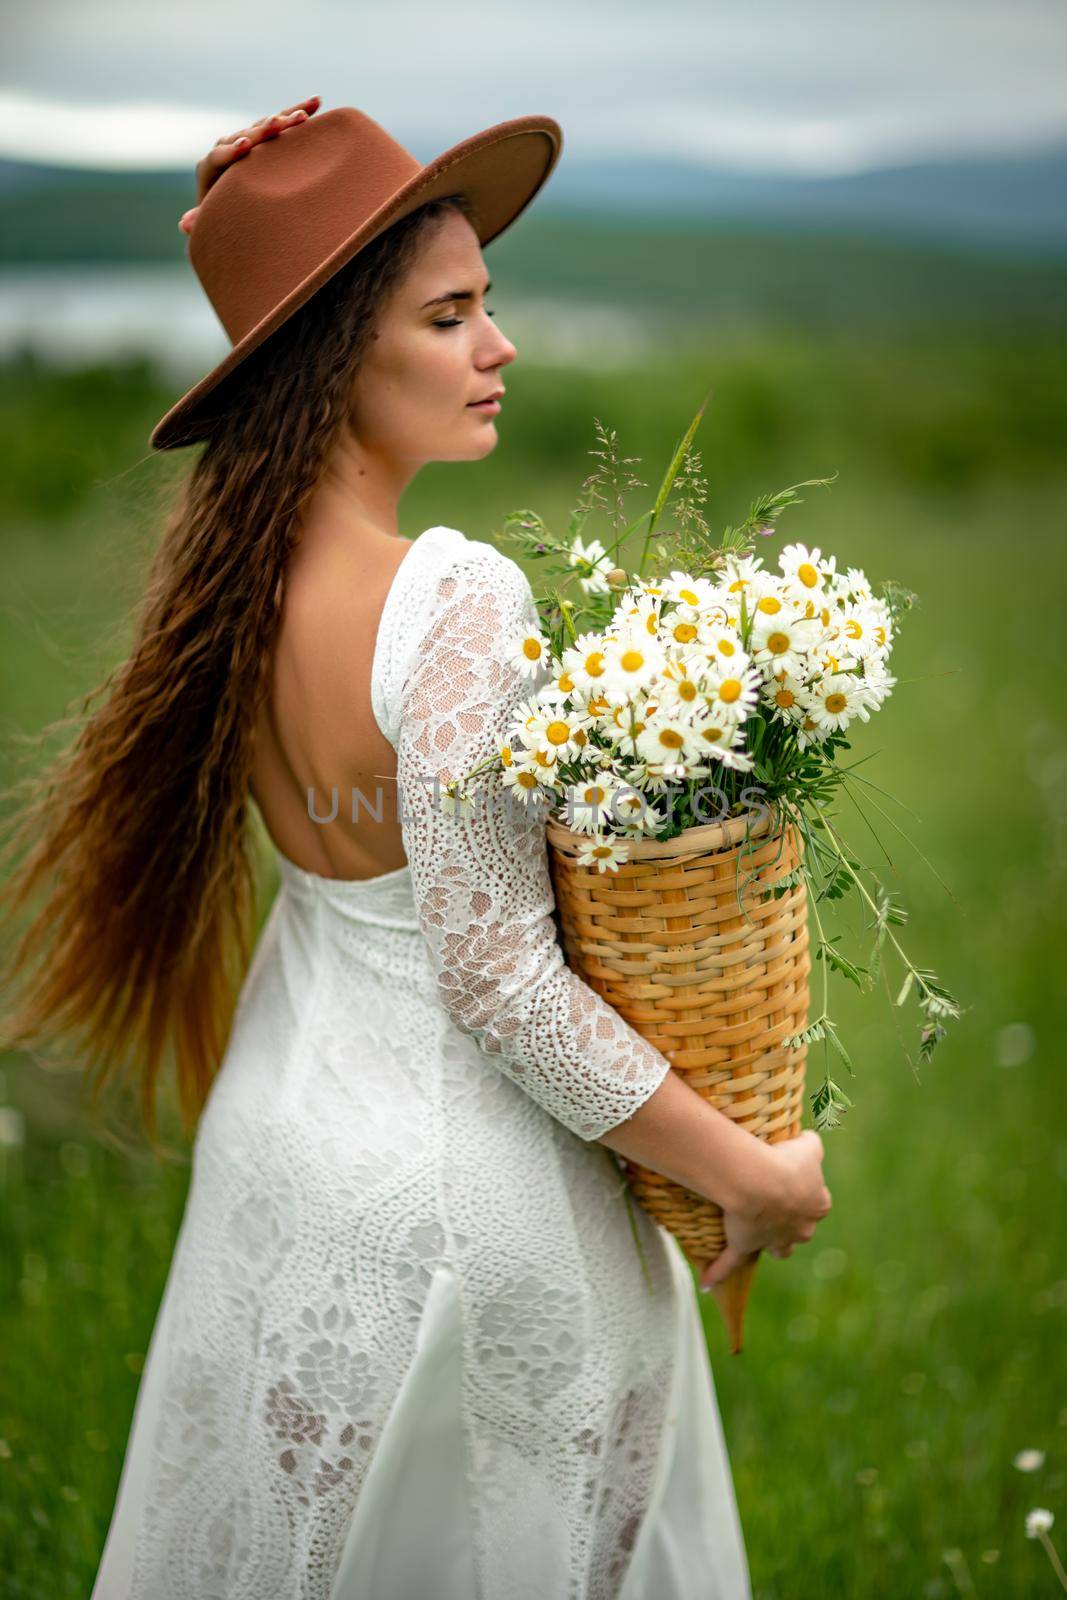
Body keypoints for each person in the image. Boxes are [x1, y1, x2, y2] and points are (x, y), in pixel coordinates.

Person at [0, 100, 831, 1599]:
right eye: (449, 316)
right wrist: (750, 1176)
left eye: (487, 309)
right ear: (332, 354)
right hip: (477, 1213)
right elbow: (501, 978)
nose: (494, 347)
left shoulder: (224, 594)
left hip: (290, 1159)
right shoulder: (451, 597)